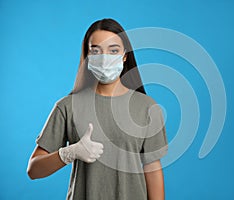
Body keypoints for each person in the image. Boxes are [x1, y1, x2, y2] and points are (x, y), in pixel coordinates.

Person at [27, 18, 168, 200]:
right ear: (87, 56)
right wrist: (69, 153)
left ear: (125, 55)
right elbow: (33, 170)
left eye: (113, 50)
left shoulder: (147, 107)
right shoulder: (68, 106)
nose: (105, 58)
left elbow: (152, 169)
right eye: (96, 51)